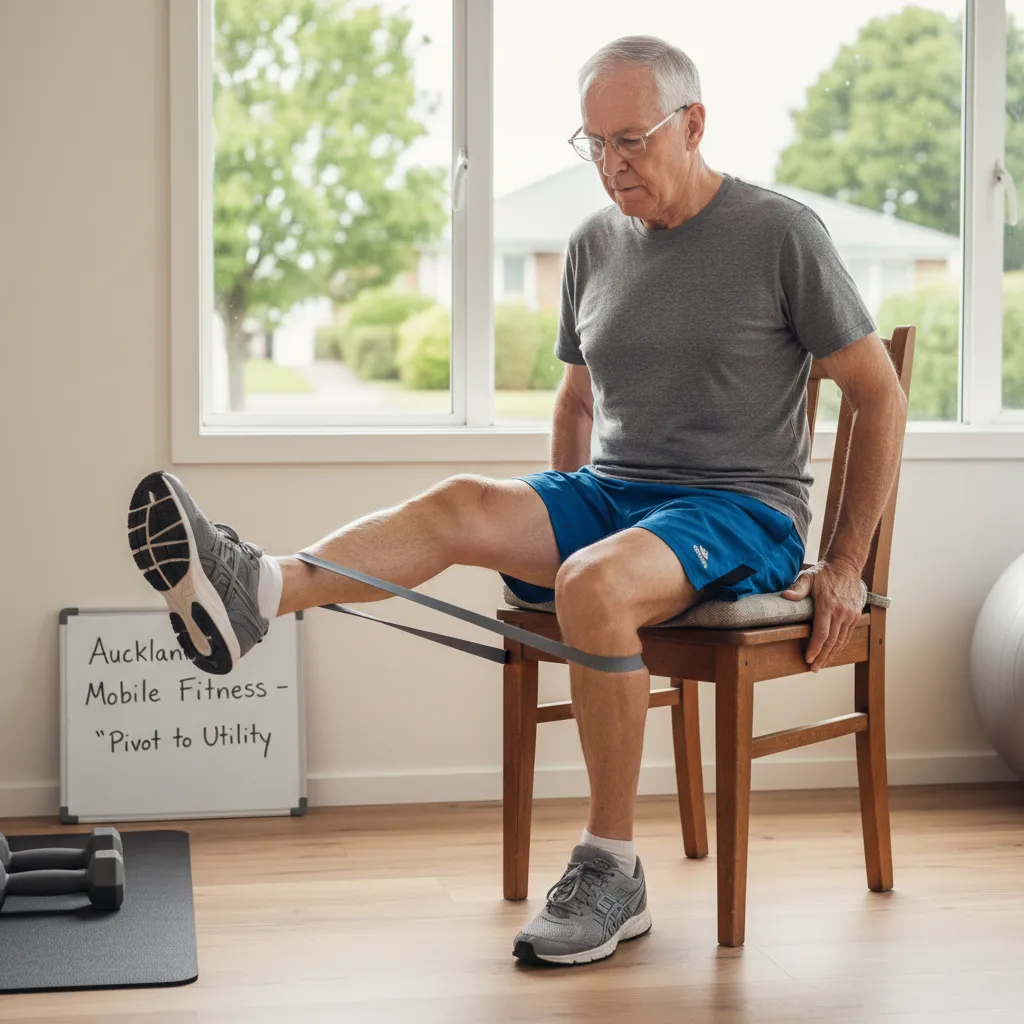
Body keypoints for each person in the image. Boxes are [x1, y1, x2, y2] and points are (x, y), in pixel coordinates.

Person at [128, 35, 907, 966]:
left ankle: (613, 870)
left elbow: (879, 395)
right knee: (464, 503)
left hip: (738, 511)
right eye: (594, 146)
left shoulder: (780, 234)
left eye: (632, 141)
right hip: (613, 492)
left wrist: (849, 566)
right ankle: (256, 590)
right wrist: (551, 537)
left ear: (693, 124)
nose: (613, 168)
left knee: (599, 583)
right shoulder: (593, 243)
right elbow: (578, 399)